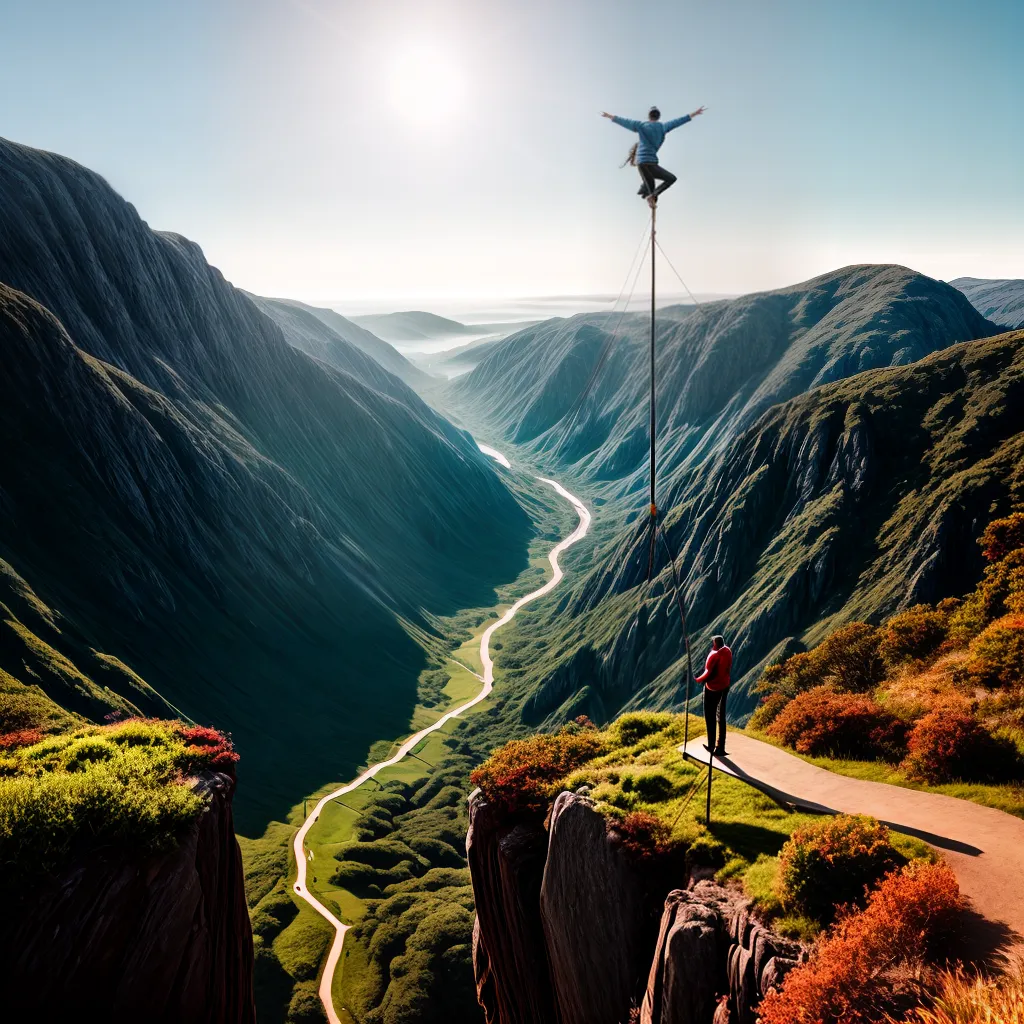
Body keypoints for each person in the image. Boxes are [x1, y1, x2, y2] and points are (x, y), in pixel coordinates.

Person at [602, 104, 705, 206]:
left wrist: (610, 116)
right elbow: (678, 122)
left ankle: (645, 190)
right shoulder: (663, 127)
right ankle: (648, 193)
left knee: (651, 188)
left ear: (649, 116)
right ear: (658, 117)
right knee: (670, 180)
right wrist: (694, 114)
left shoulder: (641, 126)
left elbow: (625, 122)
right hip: (651, 164)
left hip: (642, 163)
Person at [696, 634, 732, 757]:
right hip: (725, 686)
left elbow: (708, 674)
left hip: (713, 689)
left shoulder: (715, 656)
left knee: (709, 716)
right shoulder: (727, 651)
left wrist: (696, 679)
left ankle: (711, 745)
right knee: (721, 716)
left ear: (715, 644)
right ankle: (720, 746)